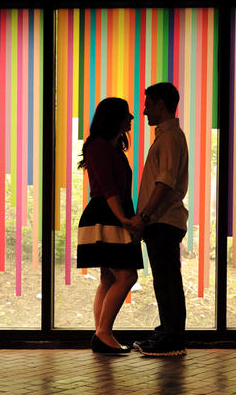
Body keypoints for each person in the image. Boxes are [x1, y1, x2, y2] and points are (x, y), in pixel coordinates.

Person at [76, 97, 142, 354]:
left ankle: (101, 334)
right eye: (127, 113)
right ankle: (103, 333)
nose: (132, 117)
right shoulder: (99, 146)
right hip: (106, 215)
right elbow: (108, 188)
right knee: (127, 276)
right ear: (113, 118)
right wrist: (125, 219)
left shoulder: (110, 147)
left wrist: (127, 216)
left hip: (109, 214)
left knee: (108, 278)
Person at [128, 82, 189, 357]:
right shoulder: (168, 137)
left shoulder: (169, 138)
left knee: (167, 280)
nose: (143, 111)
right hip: (162, 221)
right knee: (165, 280)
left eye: (148, 104)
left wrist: (145, 216)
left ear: (161, 104)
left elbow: (164, 183)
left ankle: (172, 337)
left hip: (163, 220)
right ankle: (168, 332)